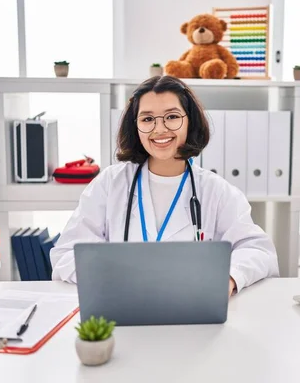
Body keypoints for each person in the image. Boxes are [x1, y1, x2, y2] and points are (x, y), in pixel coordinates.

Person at [50, 75, 279, 296]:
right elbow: (65, 254)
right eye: (147, 119)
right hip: (122, 307)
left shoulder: (216, 191)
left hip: (192, 308)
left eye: (172, 116)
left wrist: (229, 278)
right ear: (136, 127)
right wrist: (109, 275)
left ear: (190, 121)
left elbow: (258, 251)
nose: (160, 129)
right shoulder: (109, 184)